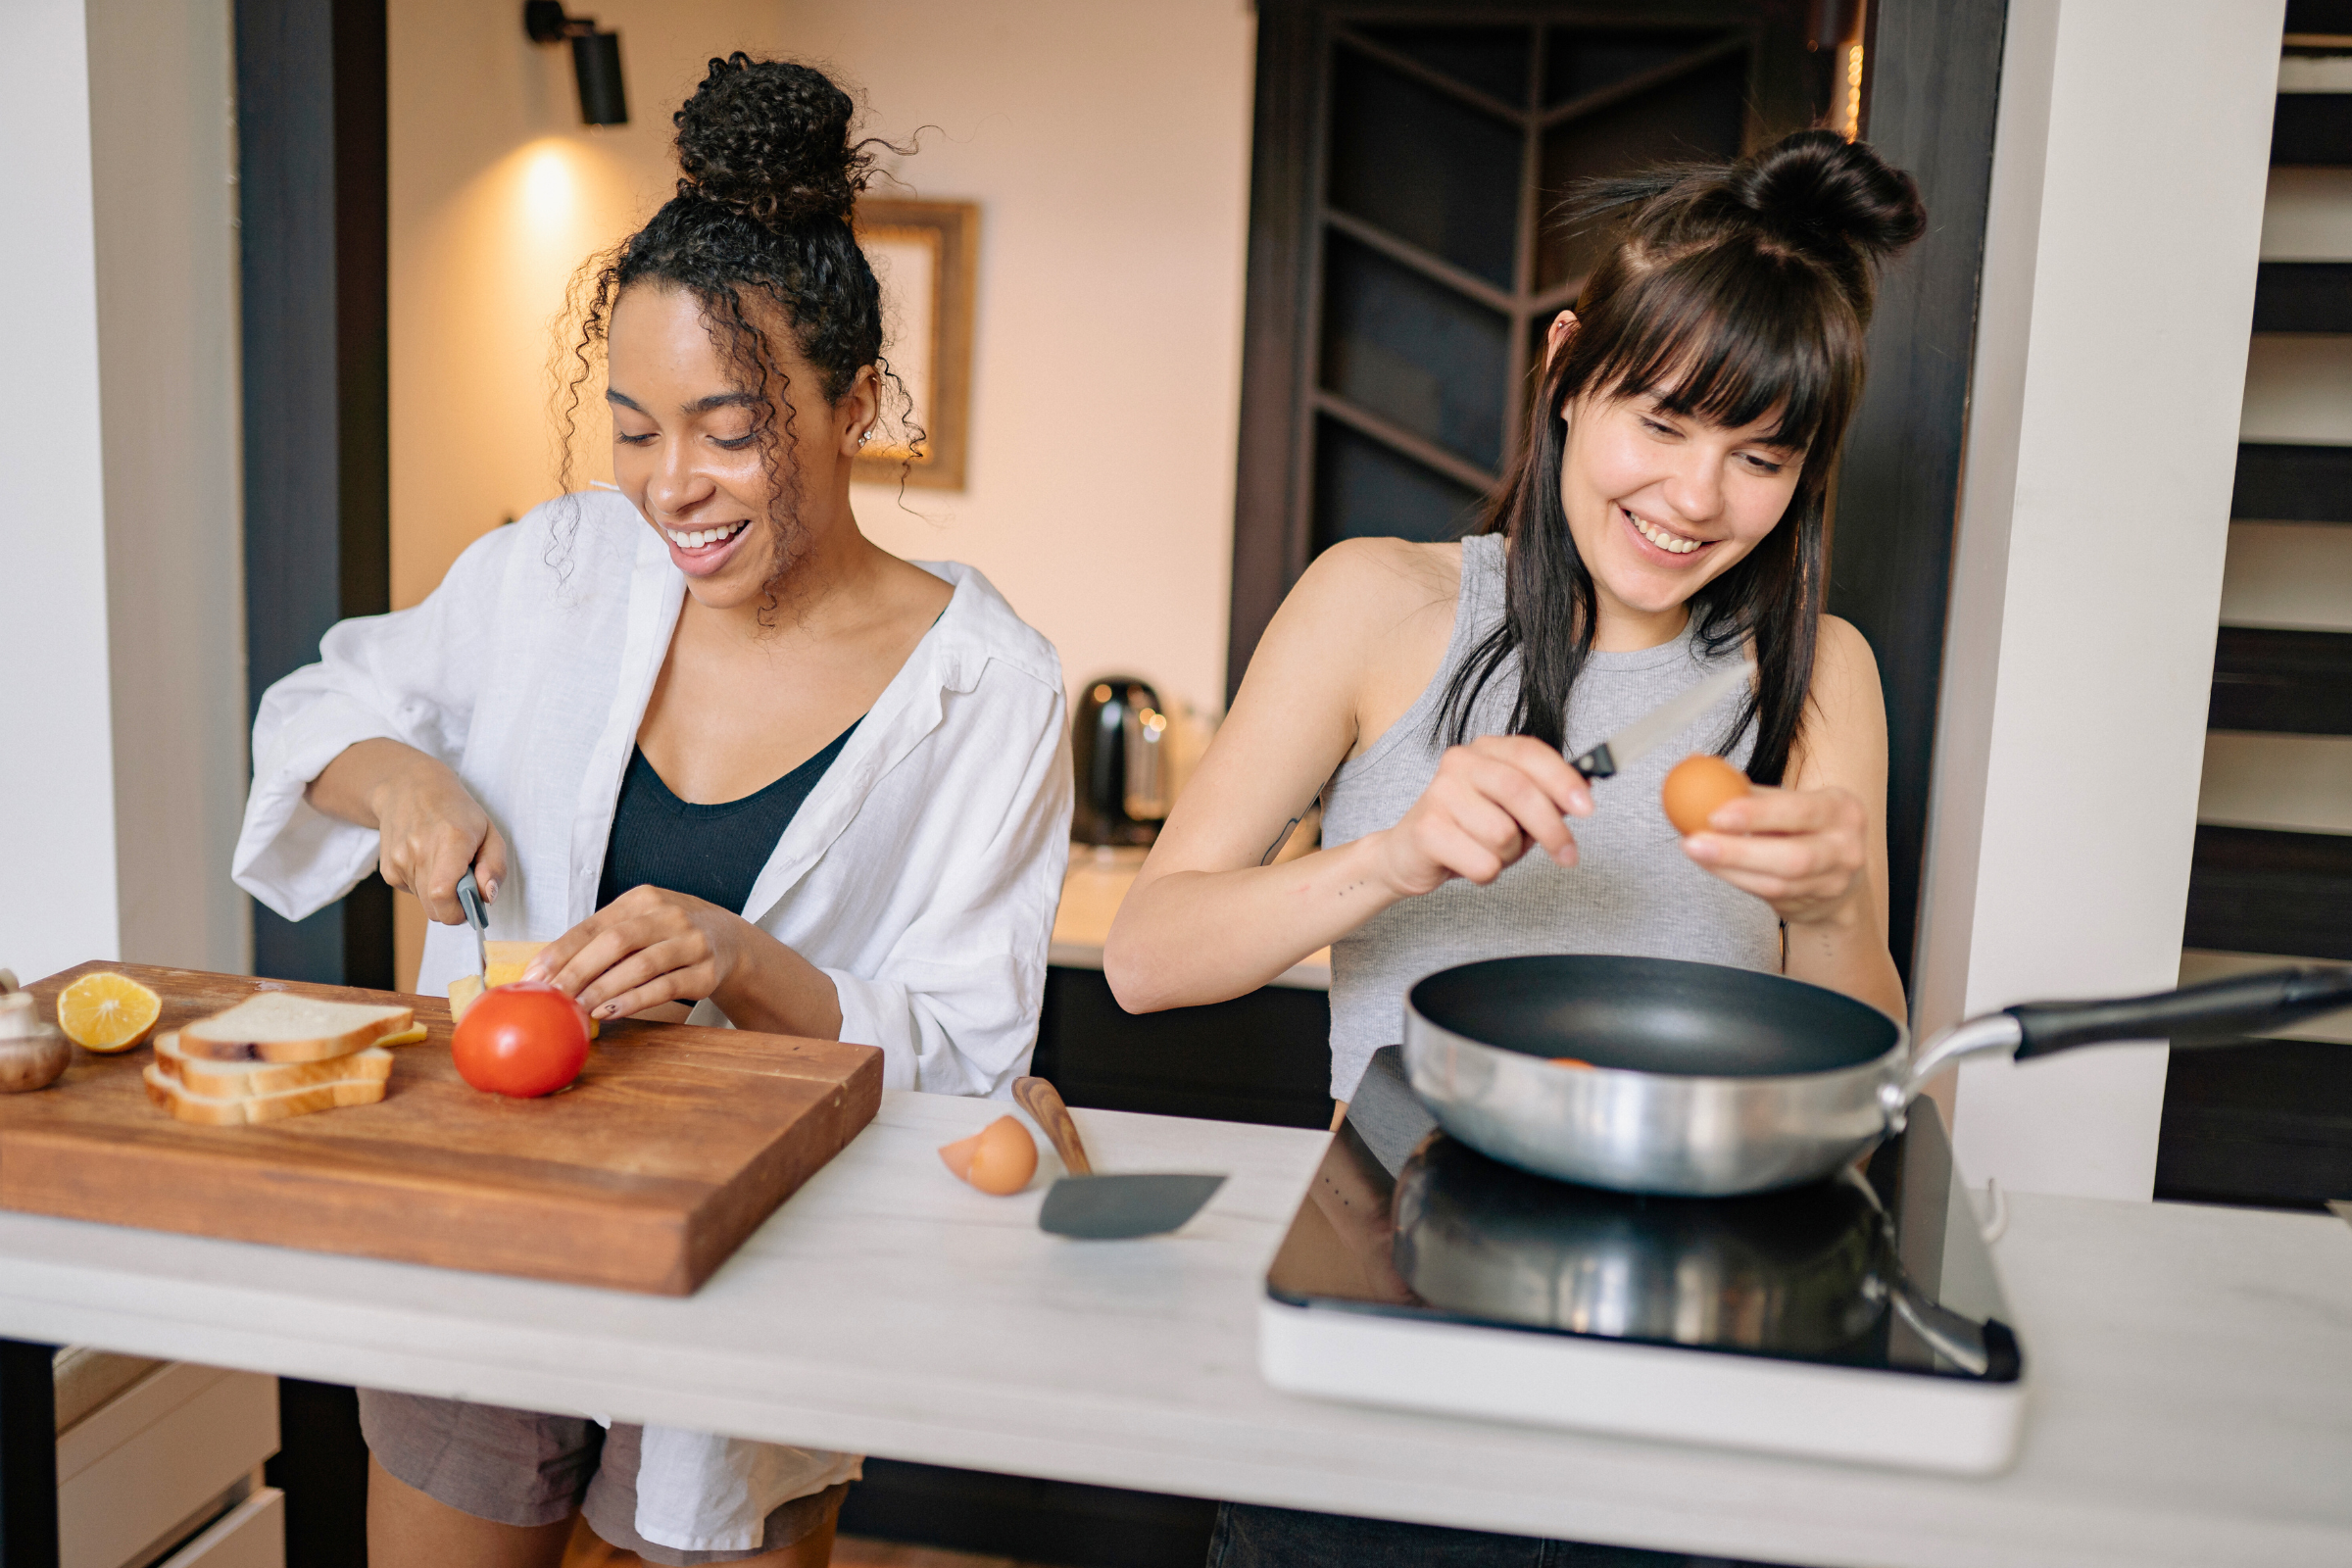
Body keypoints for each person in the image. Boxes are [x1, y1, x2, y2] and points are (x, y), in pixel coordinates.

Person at [233, 56, 1070, 1568]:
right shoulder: (557, 569)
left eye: (727, 429)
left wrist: (737, 958)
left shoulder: (989, 688)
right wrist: (401, 780)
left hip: (766, 1273)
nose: (669, 485)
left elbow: (969, 1049)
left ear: (853, 407)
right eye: (632, 427)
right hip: (493, 1230)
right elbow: (318, 711)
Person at [1104, 130, 1924, 1565]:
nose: (1694, 499)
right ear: (1563, 370)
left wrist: (1842, 909)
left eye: (1759, 457)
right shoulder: (1380, 606)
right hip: (1387, 1321)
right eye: (1661, 424)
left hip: (1694, 1373)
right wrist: (1390, 856)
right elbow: (1145, 961)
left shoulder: (1819, 674)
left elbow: (1861, 1075)